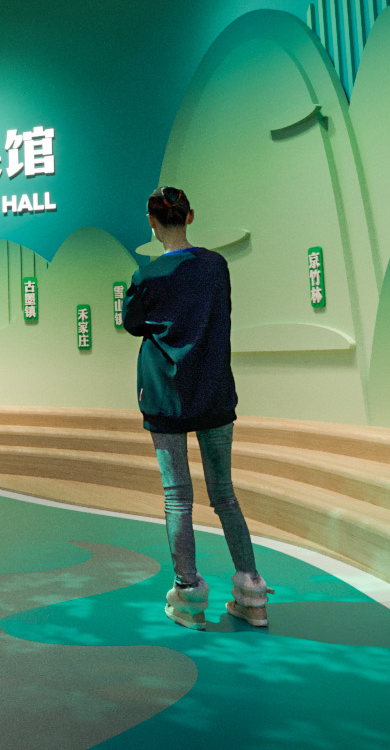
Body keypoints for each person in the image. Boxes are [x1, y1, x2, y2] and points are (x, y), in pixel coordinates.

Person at [122, 186, 270, 629]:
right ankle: (253, 593)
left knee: (178, 499)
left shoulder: (145, 277)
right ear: (190, 216)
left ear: (152, 223)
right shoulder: (215, 266)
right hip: (215, 393)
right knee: (224, 494)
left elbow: (132, 323)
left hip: (165, 396)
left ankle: (188, 597)